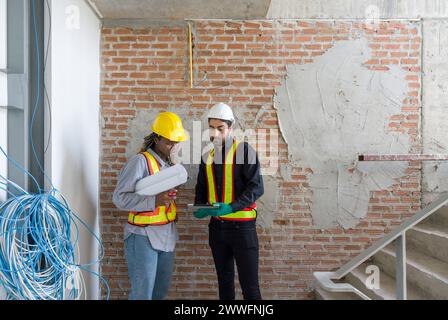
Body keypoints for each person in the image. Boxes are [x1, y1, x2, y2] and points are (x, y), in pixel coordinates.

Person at [113, 112, 188, 300]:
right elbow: (119, 198)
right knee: (142, 295)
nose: (173, 146)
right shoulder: (140, 161)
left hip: (166, 235)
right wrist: (154, 201)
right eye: (169, 142)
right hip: (142, 236)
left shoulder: (168, 166)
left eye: (175, 142)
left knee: (159, 294)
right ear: (157, 139)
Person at [193, 103, 264, 300]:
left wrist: (231, 207)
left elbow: (257, 187)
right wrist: (200, 207)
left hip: (243, 230)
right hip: (218, 230)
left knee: (250, 287)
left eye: (220, 128)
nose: (214, 133)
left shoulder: (244, 151)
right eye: (211, 127)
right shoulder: (207, 155)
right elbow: (201, 188)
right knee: (224, 285)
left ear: (230, 128)